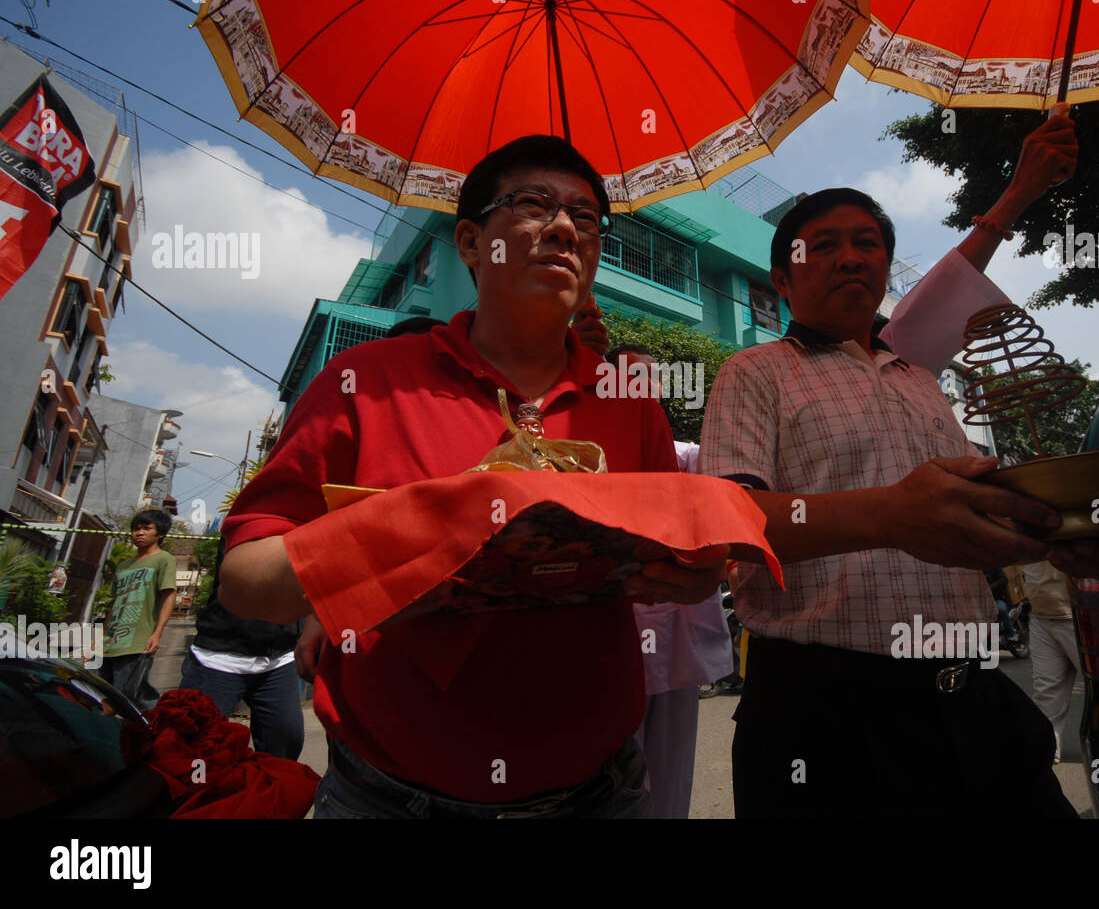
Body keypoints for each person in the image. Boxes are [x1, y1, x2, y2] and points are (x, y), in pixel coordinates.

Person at [218, 135, 729, 819]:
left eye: (584, 217)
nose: (564, 227)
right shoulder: (363, 384)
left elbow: (678, 539)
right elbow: (245, 577)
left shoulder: (631, 402)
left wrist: (692, 572)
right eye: (532, 204)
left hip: (605, 791)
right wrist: (393, 555)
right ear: (469, 241)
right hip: (389, 799)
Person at [699, 112, 1099, 818]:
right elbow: (727, 520)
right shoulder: (755, 372)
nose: (852, 257)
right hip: (825, 711)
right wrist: (889, 516)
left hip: (974, 695)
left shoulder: (920, 376)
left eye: (868, 243)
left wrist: (1069, 526)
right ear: (783, 282)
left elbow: (986, 503)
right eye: (825, 246)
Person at [606, 343, 734, 819]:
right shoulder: (594, 459)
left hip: (679, 649)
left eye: (654, 379)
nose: (649, 388)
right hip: (613, 644)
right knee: (616, 777)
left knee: (671, 777)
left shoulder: (691, 458)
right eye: (632, 379)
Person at [178, 536, 305, 760]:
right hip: (218, 658)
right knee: (191, 749)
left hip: (279, 661)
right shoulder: (250, 521)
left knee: (285, 747)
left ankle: (267, 793)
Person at [97, 509, 177, 710]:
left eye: (146, 528)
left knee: (130, 698)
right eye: (135, 529)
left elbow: (169, 596)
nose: (139, 533)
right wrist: (100, 639)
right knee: (101, 695)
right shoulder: (124, 565)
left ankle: (157, 730)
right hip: (110, 642)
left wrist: (157, 633)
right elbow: (115, 603)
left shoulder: (164, 559)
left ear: (159, 534)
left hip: (137, 642)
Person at [1021, 560, 1081, 764]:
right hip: (1041, 616)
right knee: (1046, 687)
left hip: (1076, 615)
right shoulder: (1021, 533)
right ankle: (1048, 749)